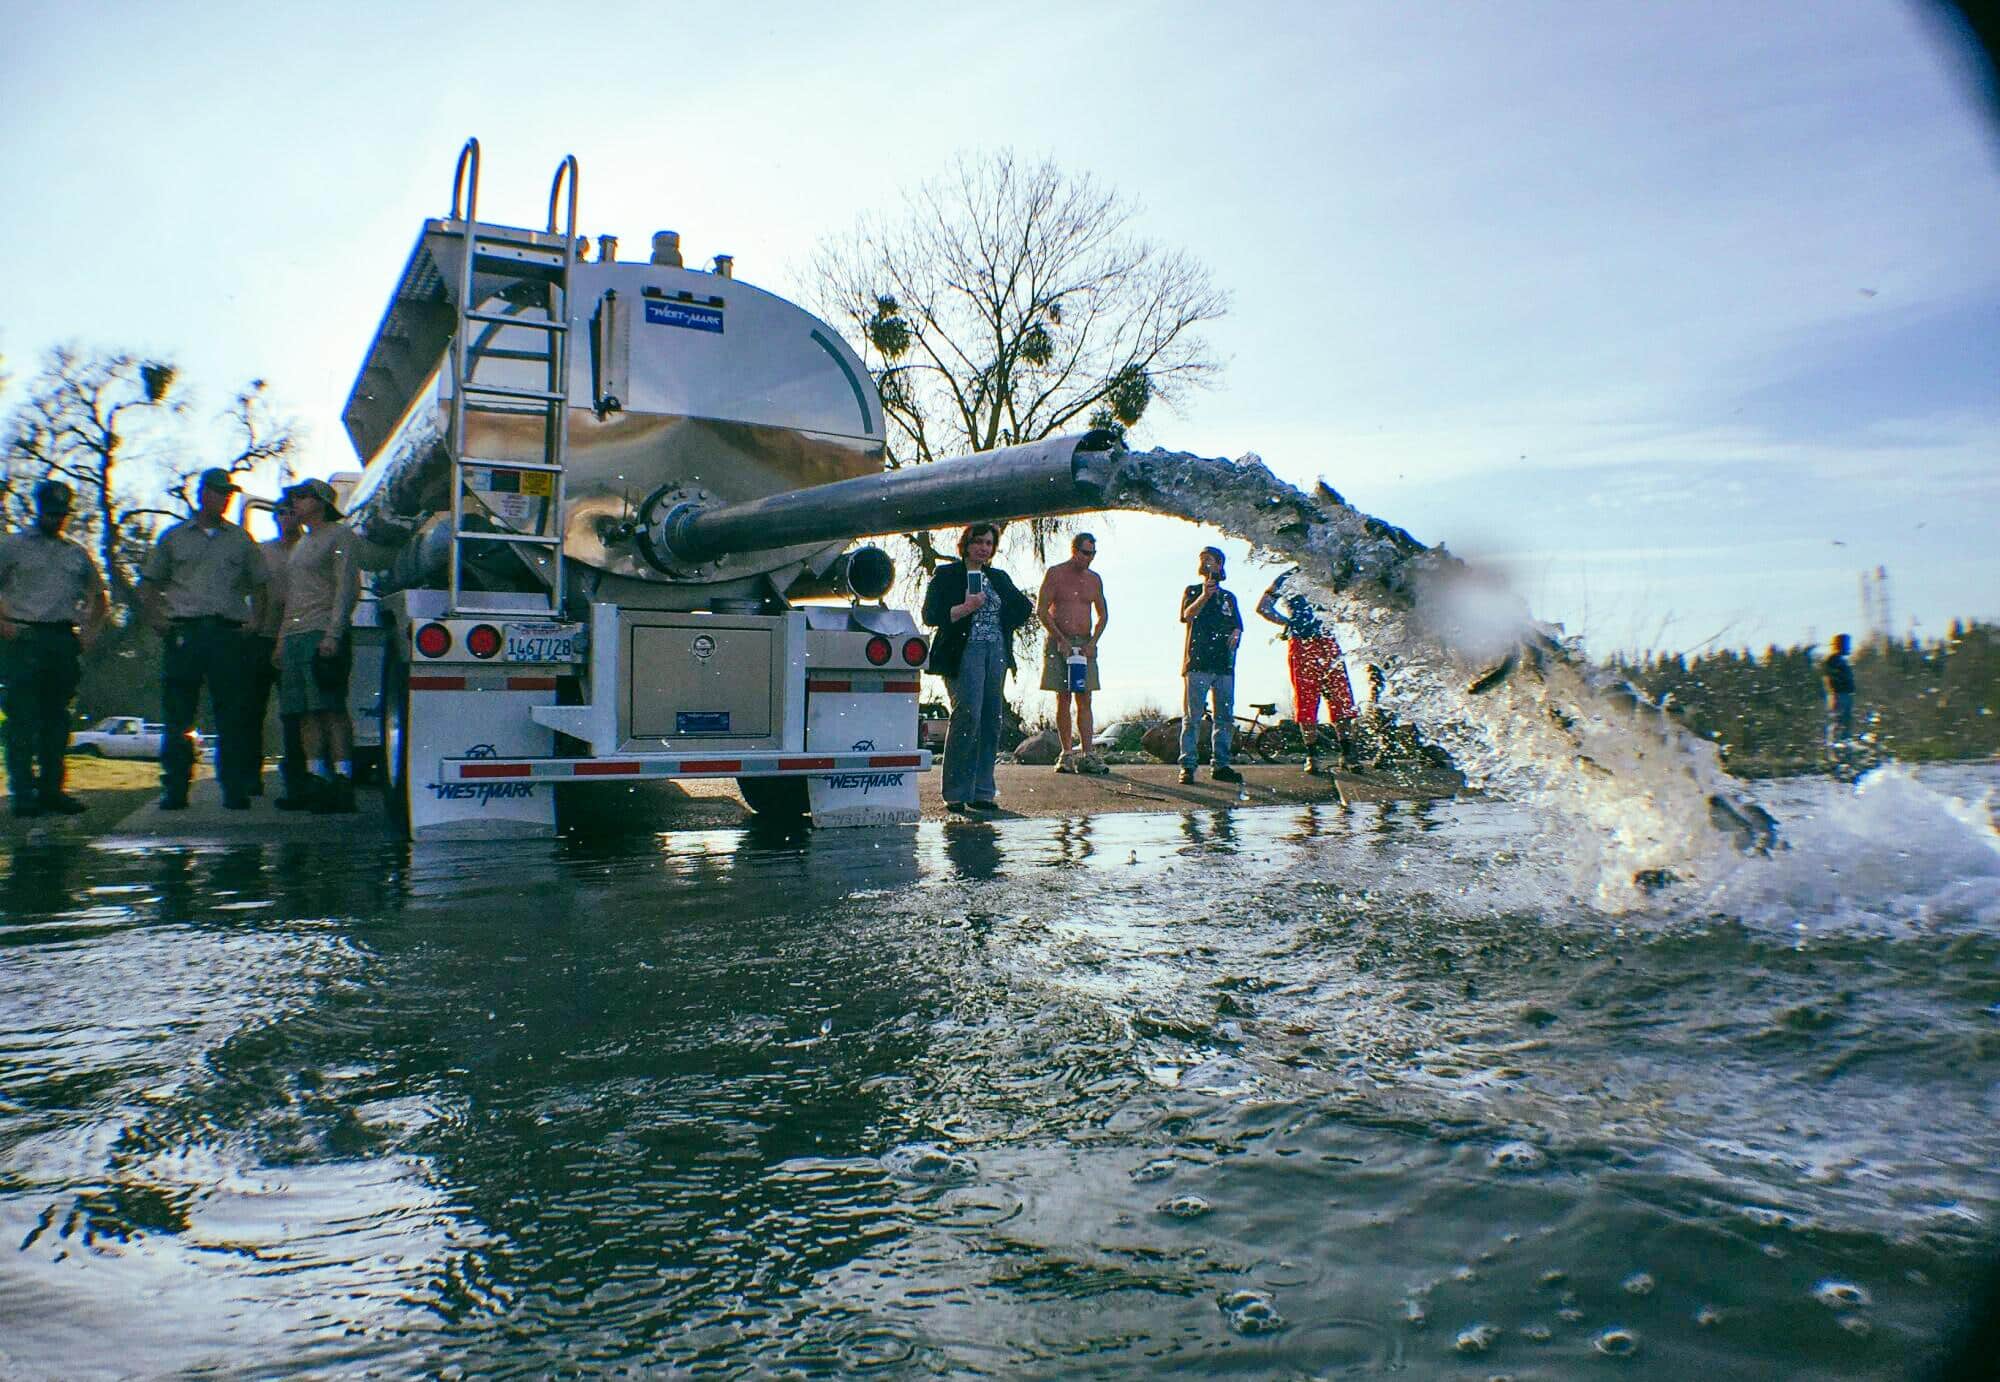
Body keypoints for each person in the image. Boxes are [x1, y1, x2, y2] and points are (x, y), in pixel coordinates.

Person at [140, 467, 268, 810]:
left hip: (227, 634)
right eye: (219, 492)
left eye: (229, 493)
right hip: (185, 632)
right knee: (179, 715)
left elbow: (260, 584)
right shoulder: (174, 537)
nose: (225, 499)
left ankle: (234, 787)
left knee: (232, 714)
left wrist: (256, 620)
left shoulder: (241, 539)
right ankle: (176, 788)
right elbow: (150, 583)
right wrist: (157, 620)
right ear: (203, 494)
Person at [0, 480, 109, 817]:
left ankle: (52, 789)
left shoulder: (76, 553)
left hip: (62, 641)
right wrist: (4, 625)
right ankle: (22, 792)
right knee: (21, 720)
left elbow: (98, 595)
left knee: (56, 720)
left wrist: (89, 631)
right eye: (50, 513)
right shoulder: (13, 547)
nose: (56, 520)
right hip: (23, 639)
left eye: (61, 515)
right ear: (38, 510)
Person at [922, 522, 1034, 814]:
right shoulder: (947, 574)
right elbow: (931, 615)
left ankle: (982, 791)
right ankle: (956, 793)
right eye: (978, 542)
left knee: (989, 718)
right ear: (966, 544)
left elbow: (1023, 607)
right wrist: (965, 608)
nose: (983, 548)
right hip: (963, 651)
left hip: (995, 650)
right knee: (967, 713)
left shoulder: (998, 577)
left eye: (989, 543)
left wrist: (1005, 620)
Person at [277, 478, 360, 813]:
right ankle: (316, 778)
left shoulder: (340, 537)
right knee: (304, 713)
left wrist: (333, 633)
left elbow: (345, 588)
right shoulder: (301, 545)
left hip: (321, 631)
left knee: (330, 709)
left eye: (300, 497)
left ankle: (342, 780)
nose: (294, 503)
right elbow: (293, 597)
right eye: (293, 498)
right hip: (296, 635)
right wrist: (282, 640)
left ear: (321, 501)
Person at [1256, 567, 1361, 774]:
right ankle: (1313, 755)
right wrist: (1287, 623)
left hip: (1327, 642)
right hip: (1303, 645)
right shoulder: (1287, 577)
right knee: (1307, 700)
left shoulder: (1331, 572)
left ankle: (1346, 753)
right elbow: (1263, 607)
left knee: (1341, 698)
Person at [245, 496, 311, 808]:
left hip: (296, 639)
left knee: (294, 714)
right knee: (251, 709)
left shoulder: (309, 549)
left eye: (291, 512)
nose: (286, 517)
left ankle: (296, 781)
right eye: (281, 512)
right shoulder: (262, 551)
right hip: (262, 638)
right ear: (274, 517)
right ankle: (249, 775)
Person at [1037, 531, 1109, 775]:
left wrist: (1093, 642)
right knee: (1063, 697)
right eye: (1086, 553)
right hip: (1060, 642)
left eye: (1093, 554)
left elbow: (1103, 615)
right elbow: (1042, 610)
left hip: (1084, 643)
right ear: (1075, 550)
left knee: (1085, 698)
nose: (1089, 558)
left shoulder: (1094, 579)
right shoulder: (1056, 573)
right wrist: (1060, 638)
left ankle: (1088, 753)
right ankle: (1066, 753)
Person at [1179, 546, 1243, 786]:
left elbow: (1237, 624)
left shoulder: (1229, 597)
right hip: (1198, 663)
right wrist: (1204, 596)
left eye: (1211, 560)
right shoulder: (1193, 590)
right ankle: (1188, 765)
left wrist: (1236, 633)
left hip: (1224, 665)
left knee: (1224, 717)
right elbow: (1187, 615)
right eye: (1203, 560)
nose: (1206, 564)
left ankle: (1221, 764)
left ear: (1220, 564)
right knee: (1192, 717)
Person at [1822, 632, 1856, 757]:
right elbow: (1832, 677)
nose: (1848, 647)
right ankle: (1837, 755)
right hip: (1838, 696)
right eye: (1846, 644)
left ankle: (1844, 753)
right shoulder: (1833, 660)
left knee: (1844, 724)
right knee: (1838, 724)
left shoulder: (1839, 660)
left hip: (1842, 696)